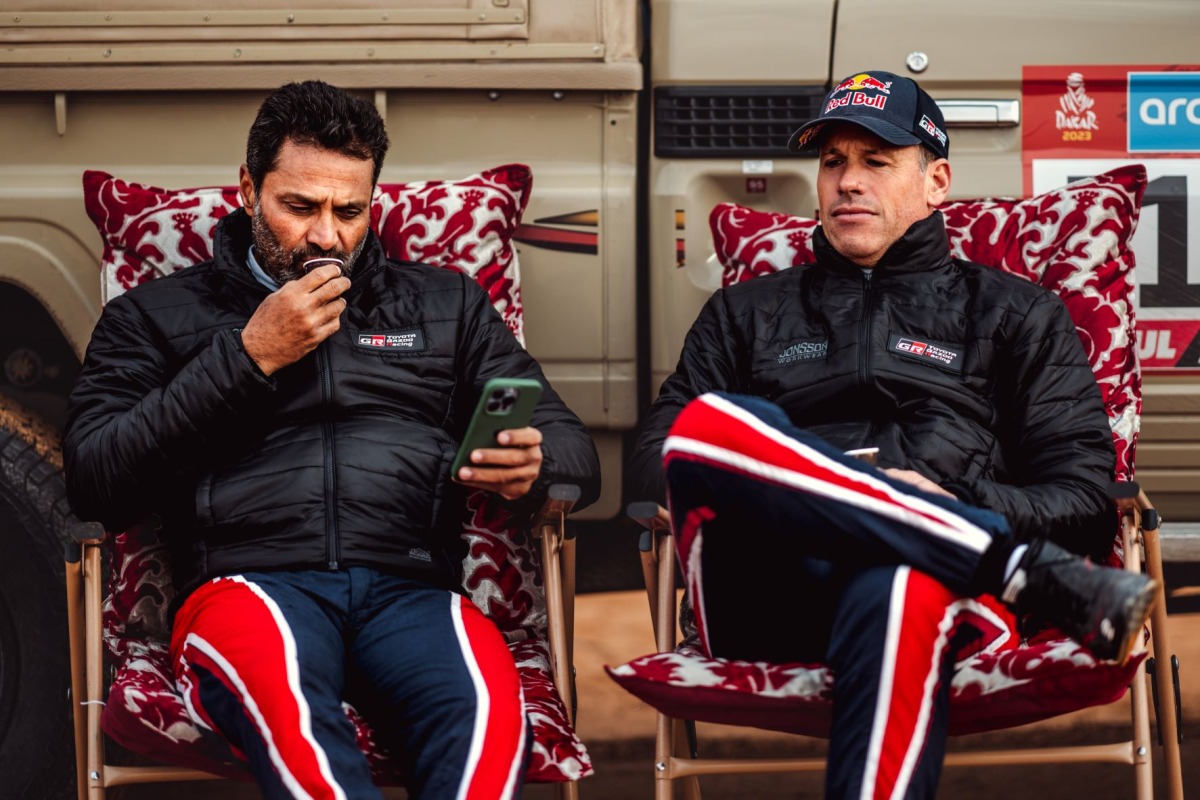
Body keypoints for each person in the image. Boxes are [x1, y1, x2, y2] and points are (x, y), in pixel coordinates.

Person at [63, 80, 600, 800]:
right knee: (293, 715)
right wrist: (247, 358)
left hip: (411, 586)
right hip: (247, 585)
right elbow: (95, 478)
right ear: (248, 187)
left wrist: (531, 465)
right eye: (300, 207)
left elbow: (574, 452)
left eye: (350, 211)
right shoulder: (154, 316)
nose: (327, 236)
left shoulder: (445, 305)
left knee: (483, 724)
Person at [630, 69, 1156, 800]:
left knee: (903, 584)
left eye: (876, 161)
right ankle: (1010, 563)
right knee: (707, 424)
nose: (847, 182)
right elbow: (658, 461)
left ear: (937, 181)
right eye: (832, 162)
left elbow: (1084, 497)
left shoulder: (1014, 314)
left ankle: (947, 540)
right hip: (766, 584)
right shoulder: (744, 312)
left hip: (933, 590)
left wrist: (944, 494)